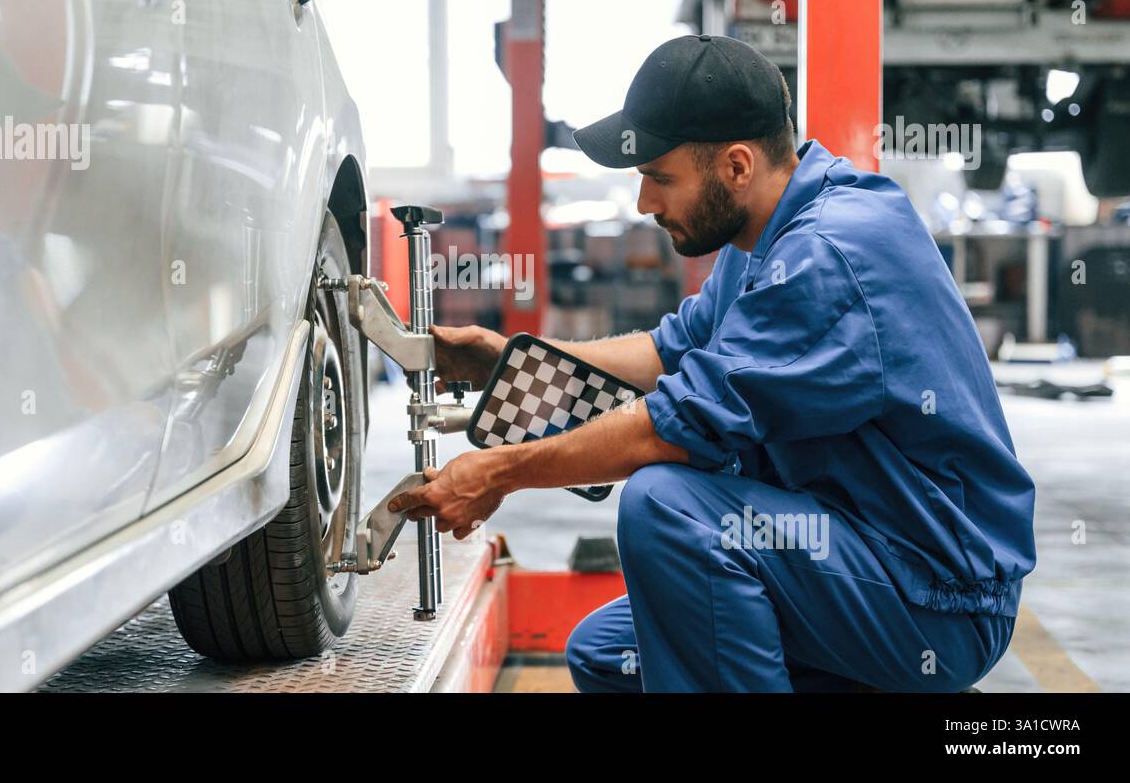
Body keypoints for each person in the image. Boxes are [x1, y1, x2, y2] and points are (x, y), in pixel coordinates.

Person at [387, 34, 1036, 693]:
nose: (644, 201)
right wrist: (509, 362)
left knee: (668, 508)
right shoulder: (767, 234)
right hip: (859, 552)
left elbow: (664, 428)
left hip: (936, 594)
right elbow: (668, 353)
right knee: (610, 657)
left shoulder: (825, 256)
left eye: (660, 177)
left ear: (735, 167)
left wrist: (498, 472)